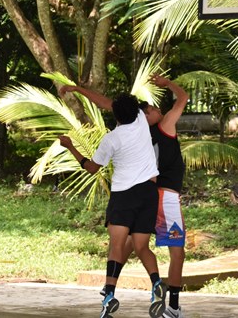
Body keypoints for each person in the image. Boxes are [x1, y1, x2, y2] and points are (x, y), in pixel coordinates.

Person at [58, 90, 167, 318]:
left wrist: (70, 146)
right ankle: (156, 283)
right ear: (135, 110)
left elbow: (91, 167)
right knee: (141, 246)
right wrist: (78, 89)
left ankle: (109, 294)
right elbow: (108, 103)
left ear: (115, 115)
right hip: (148, 192)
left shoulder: (111, 139)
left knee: (116, 245)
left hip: (124, 195)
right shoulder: (139, 120)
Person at [137, 74, 189, 318]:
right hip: (166, 197)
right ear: (146, 116)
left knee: (133, 244)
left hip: (147, 195)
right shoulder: (164, 126)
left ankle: (111, 288)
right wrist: (168, 84)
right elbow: (184, 98)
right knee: (177, 251)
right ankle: (174, 307)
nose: (158, 108)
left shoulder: (139, 137)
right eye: (152, 108)